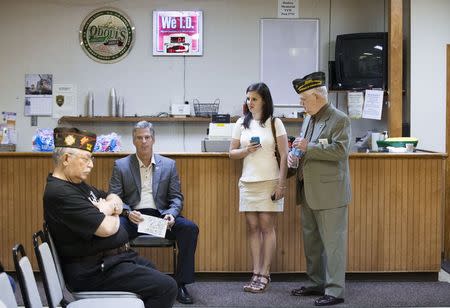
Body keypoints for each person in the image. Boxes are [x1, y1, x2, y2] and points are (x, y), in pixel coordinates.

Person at [43, 127, 177, 308]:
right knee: (166, 287)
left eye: (92, 159)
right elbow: (107, 228)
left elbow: (115, 197)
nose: (91, 165)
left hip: (112, 260)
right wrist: (113, 213)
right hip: (94, 271)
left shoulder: (77, 184)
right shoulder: (60, 193)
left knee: (155, 274)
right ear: (66, 159)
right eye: (86, 159)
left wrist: (106, 207)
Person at [109, 121, 199, 305]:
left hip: (160, 217)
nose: (143, 141)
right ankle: (120, 282)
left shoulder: (168, 165)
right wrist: (127, 212)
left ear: (153, 139)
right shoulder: (121, 165)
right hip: (134, 218)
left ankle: (180, 284)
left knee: (189, 228)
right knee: (112, 231)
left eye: (147, 137)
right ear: (133, 141)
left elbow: (176, 197)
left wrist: (172, 214)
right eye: (139, 138)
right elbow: (114, 197)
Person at [288, 72, 351, 306]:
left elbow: (340, 151)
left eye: (303, 100)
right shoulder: (309, 118)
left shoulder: (339, 119)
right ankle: (316, 283)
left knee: (333, 244)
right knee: (312, 243)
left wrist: (308, 147)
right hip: (308, 191)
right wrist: (295, 157)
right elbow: (305, 149)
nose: (301, 104)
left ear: (316, 97)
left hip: (331, 194)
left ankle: (335, 291)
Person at [229, 82, 289, 293]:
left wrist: (282, 184)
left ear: (264, 100)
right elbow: (231, 153)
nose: (250, 102)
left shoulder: (275, 122)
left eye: (254, 98)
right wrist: (246, 150)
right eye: (248, 98)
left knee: (267, 226)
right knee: (252, 228)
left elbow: (284, 155)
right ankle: (255, 272)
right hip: (248, 182)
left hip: (270, 181)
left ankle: (265, 272)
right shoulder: (241, 123)